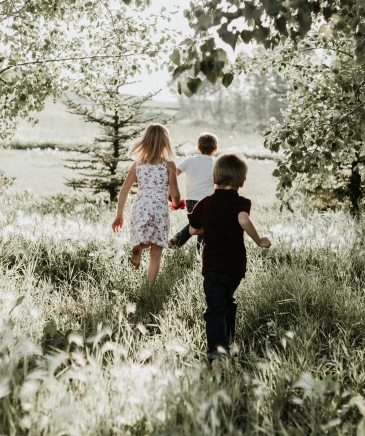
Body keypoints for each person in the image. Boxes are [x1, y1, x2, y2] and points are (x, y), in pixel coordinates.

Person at [187, 153, 271, 366]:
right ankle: (229, 340)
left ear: (214, 178)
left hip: (213, 266)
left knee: (215, 308)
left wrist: (210, 226)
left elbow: (193, 228)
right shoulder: (242, 202)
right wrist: (259, 240)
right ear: (242, 182)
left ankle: (217, 355)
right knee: (228, 301)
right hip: (235, 267)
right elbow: (242, 218)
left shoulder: (205, 203)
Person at [112, 123, 181, 286]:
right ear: (166, 143)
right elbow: (175, 193)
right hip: (159, 209)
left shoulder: (138, 164)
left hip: (141, 207)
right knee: (156, 251)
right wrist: (176, 203)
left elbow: (124, 191)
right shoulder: (169, 165)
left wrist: (119, 215)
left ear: (146, 141)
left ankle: (138, 247)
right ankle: (149, 287)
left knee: (143, 237)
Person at [169, 132, 218, 250]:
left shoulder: (190, 160)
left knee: (196, 224)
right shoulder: (215, 163)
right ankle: (200, 251)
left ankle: (177, 239)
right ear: (215, 149)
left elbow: (175, 172)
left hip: (190, 199)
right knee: (203, 226)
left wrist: (171, 188)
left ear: (198, 148)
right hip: (207, 200)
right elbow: (217, 181)